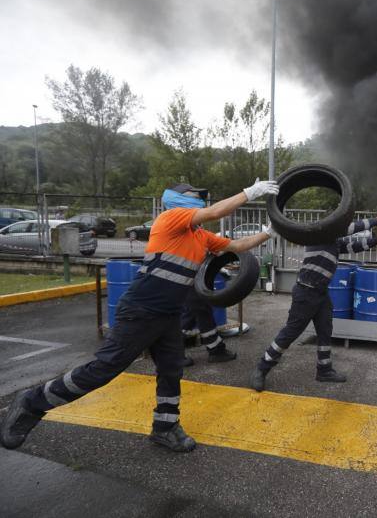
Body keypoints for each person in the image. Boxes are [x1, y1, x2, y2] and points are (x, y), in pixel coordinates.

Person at [1, 179, 279, 453]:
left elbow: (237, 247)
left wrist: (269, 232)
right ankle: (32, 402)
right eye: (196, 195)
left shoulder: (199, 236)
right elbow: (216, 211)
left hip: (168, 314)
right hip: (142, 310)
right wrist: (250, 192)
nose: (201, 200)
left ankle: (165, 428)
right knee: (104, 369)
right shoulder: (171, 218)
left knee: (171, 370)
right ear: (179, 198)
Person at [249, 215, 377, 391]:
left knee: (325, 330)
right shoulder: (319, 235)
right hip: (306, 292)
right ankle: (261, 369)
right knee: (290, 333)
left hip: (321, 293)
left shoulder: (332, 242)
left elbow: (353, 246)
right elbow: (353, 228)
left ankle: (324, 370)